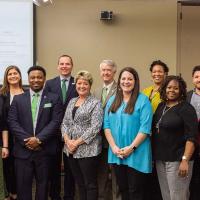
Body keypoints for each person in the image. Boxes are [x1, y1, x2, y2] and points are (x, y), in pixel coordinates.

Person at [8, 65, 63, 200]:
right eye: (33, 77)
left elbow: (56, 122)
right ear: (28, 79)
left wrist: (38, 139)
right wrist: (28, 140)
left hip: (44, 150)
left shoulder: (54, 98)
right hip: (23, 151)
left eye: (39, 77)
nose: (36, 80)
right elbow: (12, 122)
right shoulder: (18, 99)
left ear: (44, 79)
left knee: (43, 187)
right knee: (23, 187)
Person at [104, 67, 153, 200]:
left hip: (137, 153)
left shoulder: (143, 100)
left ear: (135, 81)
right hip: (117, 153)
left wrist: (131, 148)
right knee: (123, 189)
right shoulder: (112, 100)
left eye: (130, 79)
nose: (126, 81)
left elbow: (145, 129)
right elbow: (106, 125)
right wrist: (113, 147)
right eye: (124, 78)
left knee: (135, 191)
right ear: (119, 80)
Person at [152, 75, 198, 200]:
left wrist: (185, 160)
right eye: (169, 87)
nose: (172, 90)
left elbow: (192, 137)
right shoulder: (161, 106)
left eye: (176, 88)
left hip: (178, 160)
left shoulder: (186, 108)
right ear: (164, 89)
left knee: (178, 196)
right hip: (161, 159)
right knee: (166, 196)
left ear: (181, 90)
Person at [61, 70, 103, 200]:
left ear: (90, 85)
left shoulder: (95, 103)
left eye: (85, 83)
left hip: (88, 150)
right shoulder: (72, 101)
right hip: (70, 150)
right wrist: (68, 141)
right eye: (79, 83)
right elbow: (65, 123)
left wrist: (76, 142)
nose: (82, 86)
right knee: (79, 183)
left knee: (90, 184)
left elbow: (95, 127)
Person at [45, 54, 78, 200]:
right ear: (58, 66)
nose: (64, 66)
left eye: (67, 64)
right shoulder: (49, 84)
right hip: (53, 133)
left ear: (72, 66)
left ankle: (69, 195)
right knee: (54, 166)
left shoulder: (78, 83)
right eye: (62, 64)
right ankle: (55, 195)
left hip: (71, 134)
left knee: (71, 167)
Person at [93, 60, 120, 200]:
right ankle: (102, 197)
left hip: (115, 138)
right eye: (103, 70)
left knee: (116, 173)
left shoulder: (121, 89)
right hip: (98, 139)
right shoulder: (96, 90)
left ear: (114, 72)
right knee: (101, 172)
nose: (106, 72)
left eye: (109, 70)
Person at [143, 60, 169, 200]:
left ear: (165, 74)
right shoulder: (146, 91)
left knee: (158, 170)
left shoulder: (168, 91)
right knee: (148, 168)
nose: (157, 74)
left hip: (160, 136)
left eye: (160, 71)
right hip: (145, 135)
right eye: (154, 71)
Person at [0, 65, 24, 200]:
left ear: (20, 76)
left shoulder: (27, 93)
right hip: (7, 138)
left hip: (24, 138)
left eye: (15, 73)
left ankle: (22, 193)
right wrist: (5, 145)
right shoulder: (2, 95)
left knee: (22, 169)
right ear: (6, 78)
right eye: (10, 74)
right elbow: (3, 121)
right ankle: (12, 194)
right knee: (8, 168)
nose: (13, 76)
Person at [187, 66, 200, 200]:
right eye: (196, 77)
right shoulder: (187, 96)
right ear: (192, 79)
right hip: (190, 142)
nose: (199, 79)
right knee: (191, 177)